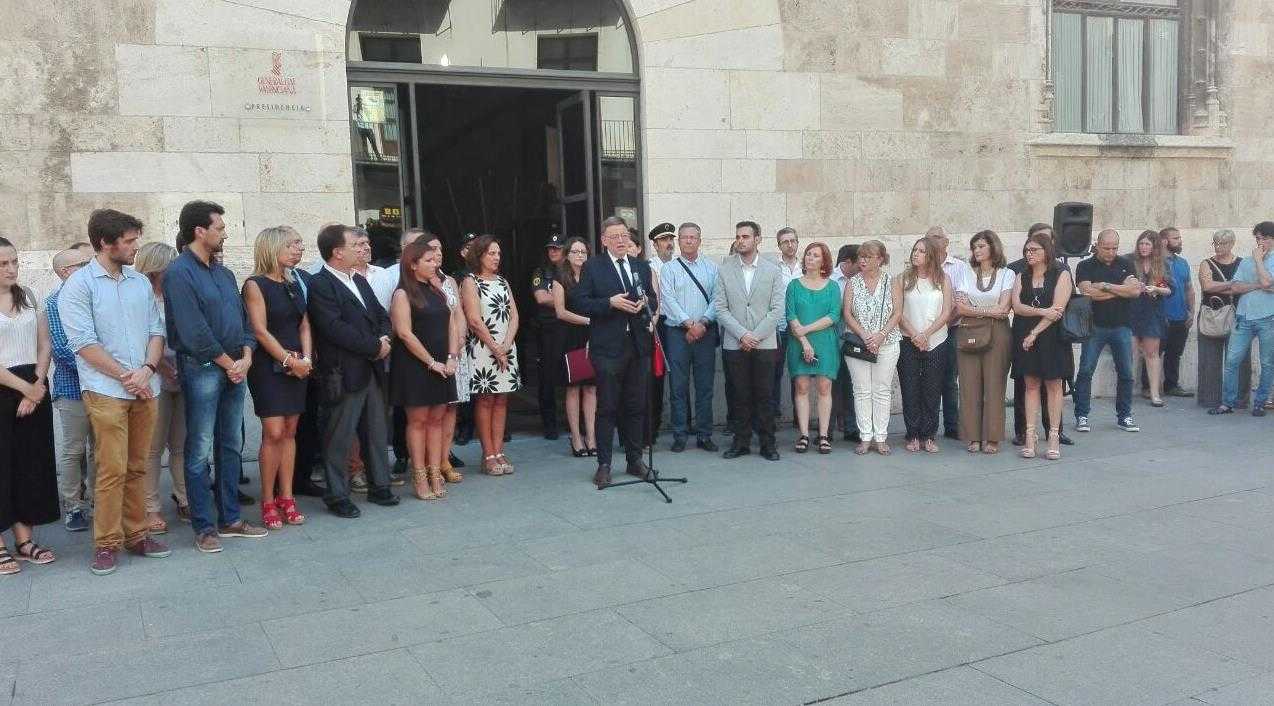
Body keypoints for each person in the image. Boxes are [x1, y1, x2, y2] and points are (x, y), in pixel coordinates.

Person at [60, 210, 171, 574]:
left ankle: (137, 534)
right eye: (128, 241)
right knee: (111, 468)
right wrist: (128, 376)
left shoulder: (139, 282)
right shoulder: (79, 286)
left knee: (138, 465)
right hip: (106, 389)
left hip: (144, 386)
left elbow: (157, 331)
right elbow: (82, 343)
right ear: (105, 243)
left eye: (135, 239)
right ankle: (106, 542)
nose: (135, 247)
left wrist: (147, 370)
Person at [164, 201, 268, 551]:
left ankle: (231, 518)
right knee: (199, 449)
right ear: (200, 231)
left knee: (230, 445)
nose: (224, 233)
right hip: (205, 369)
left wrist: (248, 356)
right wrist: (230, 363)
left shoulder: (223, 273)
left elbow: (243, 323)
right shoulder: (178, 272)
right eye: (220, 228)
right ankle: (204, 527)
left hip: (237, 367)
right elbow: (194, 332)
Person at [307, 223, 400, 517]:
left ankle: (380, 486)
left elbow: (380, 315)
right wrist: (375, 346)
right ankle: (337, 494)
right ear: (337, 252)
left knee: (375, 429)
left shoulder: (358, 281)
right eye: (353, 245)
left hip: (370, 369)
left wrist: (385, 338)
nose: (360, 249)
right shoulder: (320, 284)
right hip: (343, 372)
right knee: (340, 435)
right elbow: (334, 328)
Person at [569, 216, 657, 489]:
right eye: (615, 236)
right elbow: (580, 302)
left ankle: (635, 460)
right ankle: (604, 464)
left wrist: (645, 302)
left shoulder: (640, 266)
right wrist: (610, 302)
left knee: (635, 405)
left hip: (638, 346)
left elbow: (652, 298)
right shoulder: (594, 267)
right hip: (607, 348)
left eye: (625, 235)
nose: (621, 240)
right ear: (604, 240)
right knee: (607, 407)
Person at [242, 226, 311, 530]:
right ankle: (268, 500)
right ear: (272, 247)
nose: (298, 249)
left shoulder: (295, 282)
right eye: (292, 244)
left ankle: (287, 496)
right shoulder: (255, 285)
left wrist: (305, 359)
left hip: (298, 362)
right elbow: (259, 329)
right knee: (273, 431)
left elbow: (305, 324)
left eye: (299, 244)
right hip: (268, 365)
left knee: (291, 430)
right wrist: (286, 359)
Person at [0, 236, 60, 576]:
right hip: (7, 386)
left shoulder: (28, 297)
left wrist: (37, 385)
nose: (10, 269)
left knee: (30, 464)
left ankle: (24, 540)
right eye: (3, 264)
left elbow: (44, 343)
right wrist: (27, 389)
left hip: (33, 384)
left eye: (14, 262)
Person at [390, 238, 458, 500]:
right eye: (428, 260)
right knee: (418, 421)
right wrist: (431, 362)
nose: (434, 264)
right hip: (415, 366)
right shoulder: (403, 294)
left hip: (443, 363)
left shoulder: (438, 290)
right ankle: (419, 475)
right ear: (412, 264)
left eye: (434, 259)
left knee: (437, 420)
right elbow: (405, 334)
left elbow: (451, 323)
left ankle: (434, 471)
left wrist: (452, 357)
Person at [715, 221, 785, 461]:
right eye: (738, 236)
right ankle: (741, 441)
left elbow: (777, 309)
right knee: (739, 394)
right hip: (735, 343)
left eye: (745, 236)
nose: (741, 240)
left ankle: (768, 443)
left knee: (765, 395)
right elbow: (721, 309)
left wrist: (755, 335)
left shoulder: (772, 270)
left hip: (764, 343)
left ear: (757, 239)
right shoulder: (725, 270)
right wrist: (742, 335)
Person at [133, 243, 190, 534]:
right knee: (152, 448)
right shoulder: (140, 297)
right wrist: (160, 366)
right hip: (154, 376)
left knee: (180, 444)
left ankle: (183, 497)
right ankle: (150, 507)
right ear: (156, 268)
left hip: (183, 373)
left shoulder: (176, 295)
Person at [371, 227, 429, 480]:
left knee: (430, 409)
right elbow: (383, 313)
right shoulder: (388, 276)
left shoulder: (435, 277)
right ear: (404, 248)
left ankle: (435, 458)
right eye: (416, 245)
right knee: (399, 408)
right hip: (398, 351)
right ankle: (402, 455)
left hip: (430, 351)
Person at [1074, 229, 1144, 433]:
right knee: (1086, 370)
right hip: (1094, 325)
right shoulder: (1085, 265)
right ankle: (1082, 414)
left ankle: (1124, 415)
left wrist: (1105, 286)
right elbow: (1087, 292)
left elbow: (1135, 291)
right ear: (1097, 244)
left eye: (1115, 248)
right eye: (1107, 248)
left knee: (1126, 373)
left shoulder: (1126, 263)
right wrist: (1119, 290)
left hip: (1121, 325)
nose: (1111, 252)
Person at [461, 235, 521, 475]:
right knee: (486, 400)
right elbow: (474, 320)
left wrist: (506, 345)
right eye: (491, 253)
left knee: (502, 400)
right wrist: (495, 348)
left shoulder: (503, 281)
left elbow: (515, 315)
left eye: (498, 253)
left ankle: (499, 450)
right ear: (479, 255)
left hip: (506, 348)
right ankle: (488, 454)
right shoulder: (470, 281)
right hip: (484, 349)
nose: (496, 257)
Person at [1012, 231, 1074, 460]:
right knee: (1030, 384)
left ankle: (1054, 436)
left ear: (1046, 251)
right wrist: (1040, 312)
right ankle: (1030, 436)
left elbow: (1057, 311)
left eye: (1034, 250)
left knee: (1054, 386)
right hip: (1024, 332)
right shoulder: (1022, 275)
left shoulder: (1061, 274)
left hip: (1051, 336)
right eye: (1027, 250)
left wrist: (1034, 333)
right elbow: (1017, 306)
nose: (1029, 254)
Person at [45, 246, 94, 532]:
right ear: (65, 271)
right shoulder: (53, 304)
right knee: (74, 449)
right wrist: (102, 363)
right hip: (72, 389)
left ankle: (101, 502)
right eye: (83, 263)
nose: (91, 266)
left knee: (100, 450)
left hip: (100, 386)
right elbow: (63, 350)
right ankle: (73, 507)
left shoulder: (92, 297)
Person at [660, 222, 719, 453]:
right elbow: (668, 300)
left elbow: (717, 298)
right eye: (684, 237)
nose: (688, 241)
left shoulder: (712, 268)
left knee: (705, 387)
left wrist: (702, 323)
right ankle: (679, 434)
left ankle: (705, 435)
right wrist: (688, 324)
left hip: (705, 331)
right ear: (678, 241)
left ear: (700, 241)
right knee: (678, 386)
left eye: (693, 237)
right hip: (678, 333)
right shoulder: (669, 269)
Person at [954, 230, 1014, 454]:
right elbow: (960, 307)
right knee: (969, 384)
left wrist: (977, 310)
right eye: (974, 247)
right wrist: (988, 311)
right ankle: (973, 436)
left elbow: (1004, 309)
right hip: (969, 329)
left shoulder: (1007, 274)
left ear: (993, 248)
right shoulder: (966, 273)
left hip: (998, 333)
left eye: (981, 246)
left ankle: (993, 436)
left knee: (994, 384)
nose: (977, 251)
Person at [843, 240, 902, 455]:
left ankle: (881, 437)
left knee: (882, 389)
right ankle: (865, 436)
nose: (863, 260)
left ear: (880, 259)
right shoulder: (853, 282)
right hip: (859, 343)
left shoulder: (891, 281)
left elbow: (897, 312)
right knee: (861, 390)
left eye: (868, 256)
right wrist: (865, 335)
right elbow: (847, 313)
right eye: (861, 256)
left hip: (887, 343)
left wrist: (880, 335)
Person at [897, 235, 953, 453]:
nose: (915, 254)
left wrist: (927, 334)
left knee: (932, 389)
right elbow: (898, 312)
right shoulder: (904, 279)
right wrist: (915, 335)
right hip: (908, 340)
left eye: (921, 251)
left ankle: (929, 435)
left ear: (930, 255)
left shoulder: (943, 279)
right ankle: (912, 434)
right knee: (910, 388)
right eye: (914, 250)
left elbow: (947, 311)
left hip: (937, 340)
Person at [1213, 222, 1274, 417]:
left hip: (1268, 318)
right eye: (1257, 238)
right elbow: (1235, 287)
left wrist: (1258, 262)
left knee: (1266, 362)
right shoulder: (1245, 262)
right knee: (1231, 361)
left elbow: (1267, 281)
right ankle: (1227, 402)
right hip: (1244, 317)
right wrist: (1258, 285)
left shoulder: (1258, 261)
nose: (1260, 242)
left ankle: (1260, 402)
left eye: (1264, 238)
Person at [786, 242, 841, 454]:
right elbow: (791, 315)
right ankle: (804, 434)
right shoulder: (793, 286)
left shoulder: (833, 286)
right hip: (798, 342)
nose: (810, 258)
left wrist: (806, 330)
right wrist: (804, 341)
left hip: (825, 342)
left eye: (816, 255)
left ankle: (824, 434)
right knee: (801, 387)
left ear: (824, 261)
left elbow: (834, 316)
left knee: (824, 387)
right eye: (808, 254)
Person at [420, 234, 466, 485]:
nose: (437, 254)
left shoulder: (449, 280)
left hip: (454, 353)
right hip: (431, 353)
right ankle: (428, 463)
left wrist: (457, 345)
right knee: (430, 411)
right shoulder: (418, 284)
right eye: (431, 250)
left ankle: (443, 459)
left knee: (450, 406)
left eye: (439, 249)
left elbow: (458, 313)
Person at [926, 226, 972, 441]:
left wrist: (945, 323)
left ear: (946, 242)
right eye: (928, 238)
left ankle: (952, 425)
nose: (932, 242)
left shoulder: (959, 267)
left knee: (950, 378)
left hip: (953, 328)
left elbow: (961, 300)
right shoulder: (922, 267)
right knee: (928, 378)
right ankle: (928, 425)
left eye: (936, 237)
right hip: (926, 331)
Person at [1197, 229, 1250, 409]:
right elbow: (1207, 286)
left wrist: (1223, 287)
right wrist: (1231, 284)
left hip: (1238, 315)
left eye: (1223, 243)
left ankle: (1239, 399)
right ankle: (1209, 399)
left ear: (1232, 244)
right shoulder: (1206, 263)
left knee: (1239, 359)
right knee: (1209, 359)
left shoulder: (1243, 263)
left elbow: (1244, 288)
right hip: (1211, 315)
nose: (1218, 247)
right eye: (1216, 243)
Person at [554, 237, 597, 457]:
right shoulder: (560, 277)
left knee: (591, 388)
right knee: (573, 388)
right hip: (570, 336)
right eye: (575, 252)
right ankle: (576, 438)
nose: (579, 256)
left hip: (593, 337)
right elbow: (560, 312)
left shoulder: (593, 276)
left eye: (583, 252)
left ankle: (591, 437)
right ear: (567, 255)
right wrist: (589, 321)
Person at [1128, 230, 1173, 407]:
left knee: (1152, 353)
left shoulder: (1162, 265)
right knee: (1128, 353)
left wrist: (1156, 289)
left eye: (1147, 244)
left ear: (1154, 246)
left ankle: (1155, 393)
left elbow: (1169, 289)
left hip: (1152, 312)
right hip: (1131, 311)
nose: (1143, 247)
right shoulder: (1129, 261)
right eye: (1141, 243)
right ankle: (1125, 390)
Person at [531, 234, 565, 440]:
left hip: (570, 327)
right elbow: (541, 297)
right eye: (550, 248)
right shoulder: (542, 272)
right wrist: (567, 299)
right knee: (548, 378)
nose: (553, 251)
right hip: (549, 330)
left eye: (557, 248)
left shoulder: (573, 271)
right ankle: (550, 424)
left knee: (577, 377)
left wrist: (560, 299)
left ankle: (576, 423)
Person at [1154, 227, 1195, 397]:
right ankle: (1149, 387)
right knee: (1154, 353)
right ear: (1164, 241)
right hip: (1160, 317)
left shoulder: (1183, 263)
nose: (1180, 241)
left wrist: (1192, 311)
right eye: (1176, 238)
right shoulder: (1155, 263)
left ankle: (1171, 385)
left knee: (1175, 353)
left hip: (1181, 316)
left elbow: (1189, 289)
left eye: (1179, 237)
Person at [646, 223, 676, 440]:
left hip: (678, 325)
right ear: (655, 244)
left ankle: (682, 426)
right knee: (655, 377)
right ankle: (652, 427)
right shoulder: (649, 267)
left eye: (670, 239)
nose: (669, 244)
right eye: (664, 240)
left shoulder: (679, 264)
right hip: (658, 324)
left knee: (680, 377)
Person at [829, 244, 859, 442]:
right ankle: (827, 430)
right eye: (859, 261)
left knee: (851, 382)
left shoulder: (860, 280)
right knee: (829, 384)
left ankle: (851, 428)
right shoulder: (830, 279)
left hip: (852, 335)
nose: (862, 264)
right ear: (847, 262)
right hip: (831, 334)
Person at [772, 227, 802, 422]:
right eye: (785, 242)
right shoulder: (773, 269)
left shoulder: (806, 267)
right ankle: (773, 416)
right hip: (779, 328)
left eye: (793, 241)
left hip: (801, 329)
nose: (790, 245)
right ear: (779, 245)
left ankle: (800, 417)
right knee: (773, 375)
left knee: (799, 375)